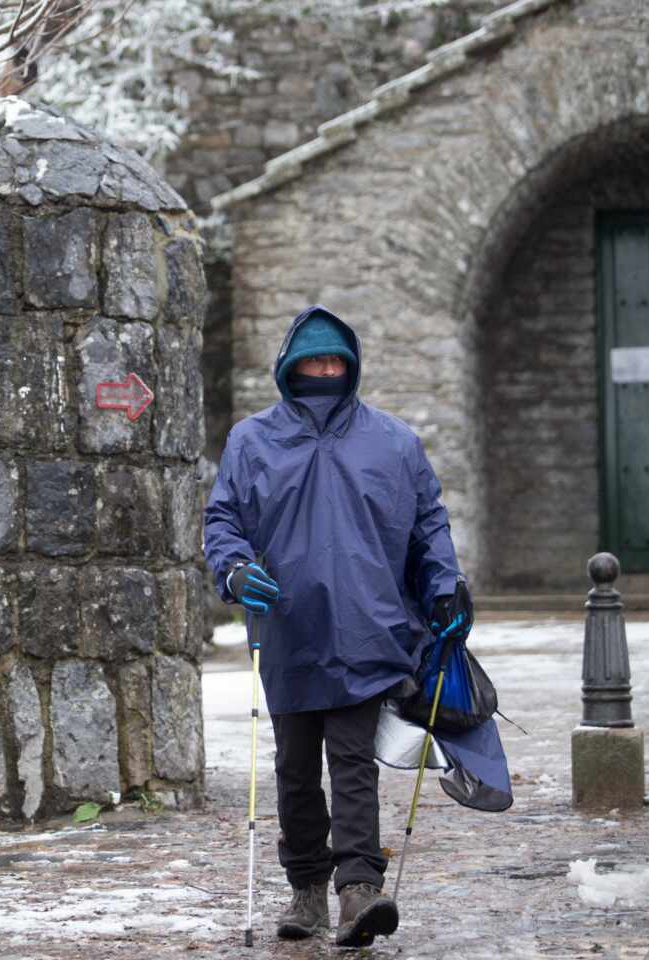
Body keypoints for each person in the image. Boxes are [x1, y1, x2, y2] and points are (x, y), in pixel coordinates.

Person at [203, 305, 474, 948]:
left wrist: (445, 588)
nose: (323, 370)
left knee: (353, 761)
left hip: (367, 627)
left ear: (351, 367)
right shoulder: (251, 442)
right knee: (296, 767)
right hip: (288, 629)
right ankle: (306, 892)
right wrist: (235, 571)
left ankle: (358, 889)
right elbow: (224, 522)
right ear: (288, 368)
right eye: (312, 361)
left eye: (334, 361)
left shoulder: (395, 442)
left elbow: (427, 526)